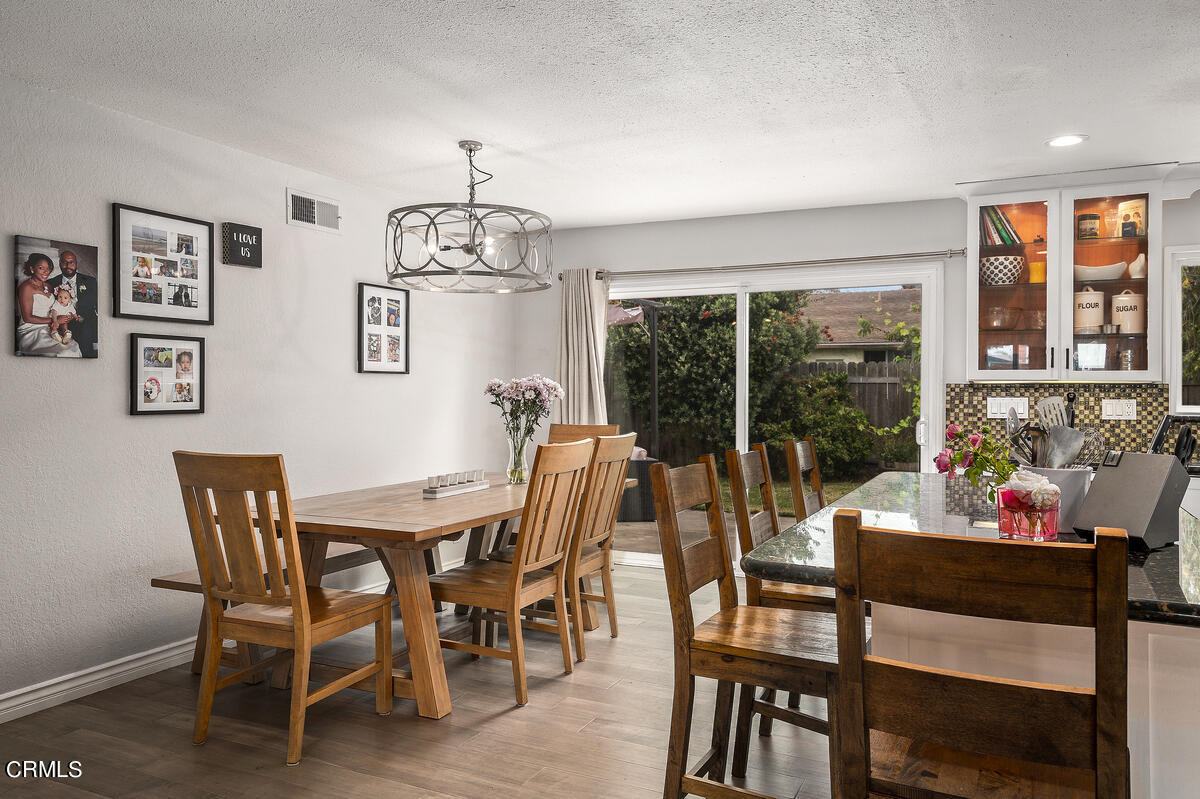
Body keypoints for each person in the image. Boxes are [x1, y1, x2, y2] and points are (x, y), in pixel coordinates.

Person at [16, 253, 80, 356]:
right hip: (32, 329)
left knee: (72, 348)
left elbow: (57, 305)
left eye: (49, 268)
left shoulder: (49, 286)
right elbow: (27, 318)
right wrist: (56, 320)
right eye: (41, 268)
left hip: (50, 326)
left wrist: (67, 315)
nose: (46, 272)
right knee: (61, 352)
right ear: (32, 269)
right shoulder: (26, 287)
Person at [49, 249, 98, 357]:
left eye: (71, 262)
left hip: (85, 321)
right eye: (64, 262)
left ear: (76, 264)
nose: (68, 265)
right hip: (62, 322)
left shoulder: (90, 281)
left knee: (86, 334)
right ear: (60, 263)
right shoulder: (51, 283)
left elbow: (97, 306)